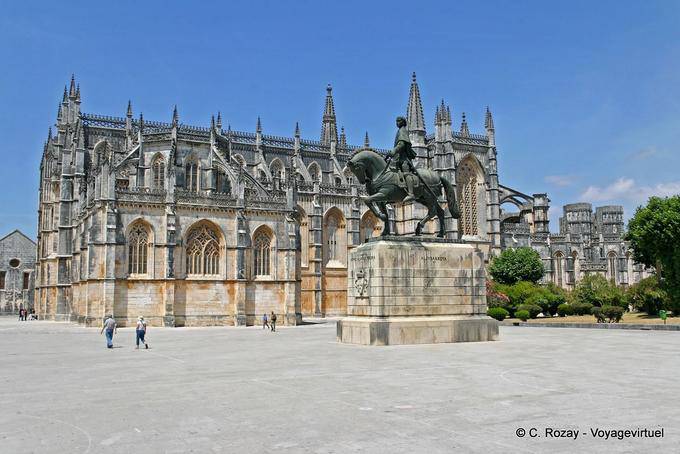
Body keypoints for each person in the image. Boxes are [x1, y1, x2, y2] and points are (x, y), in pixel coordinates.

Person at [389, 116, 417, 202]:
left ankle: (411, 193)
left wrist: (394, 150)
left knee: (406, 173)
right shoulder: (399, 131)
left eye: (399, 121)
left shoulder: (402, 130)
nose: (397, 122)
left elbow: (402, 144)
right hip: (398, 158)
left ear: (403, 122)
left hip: (404, 159)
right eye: (396, 121)